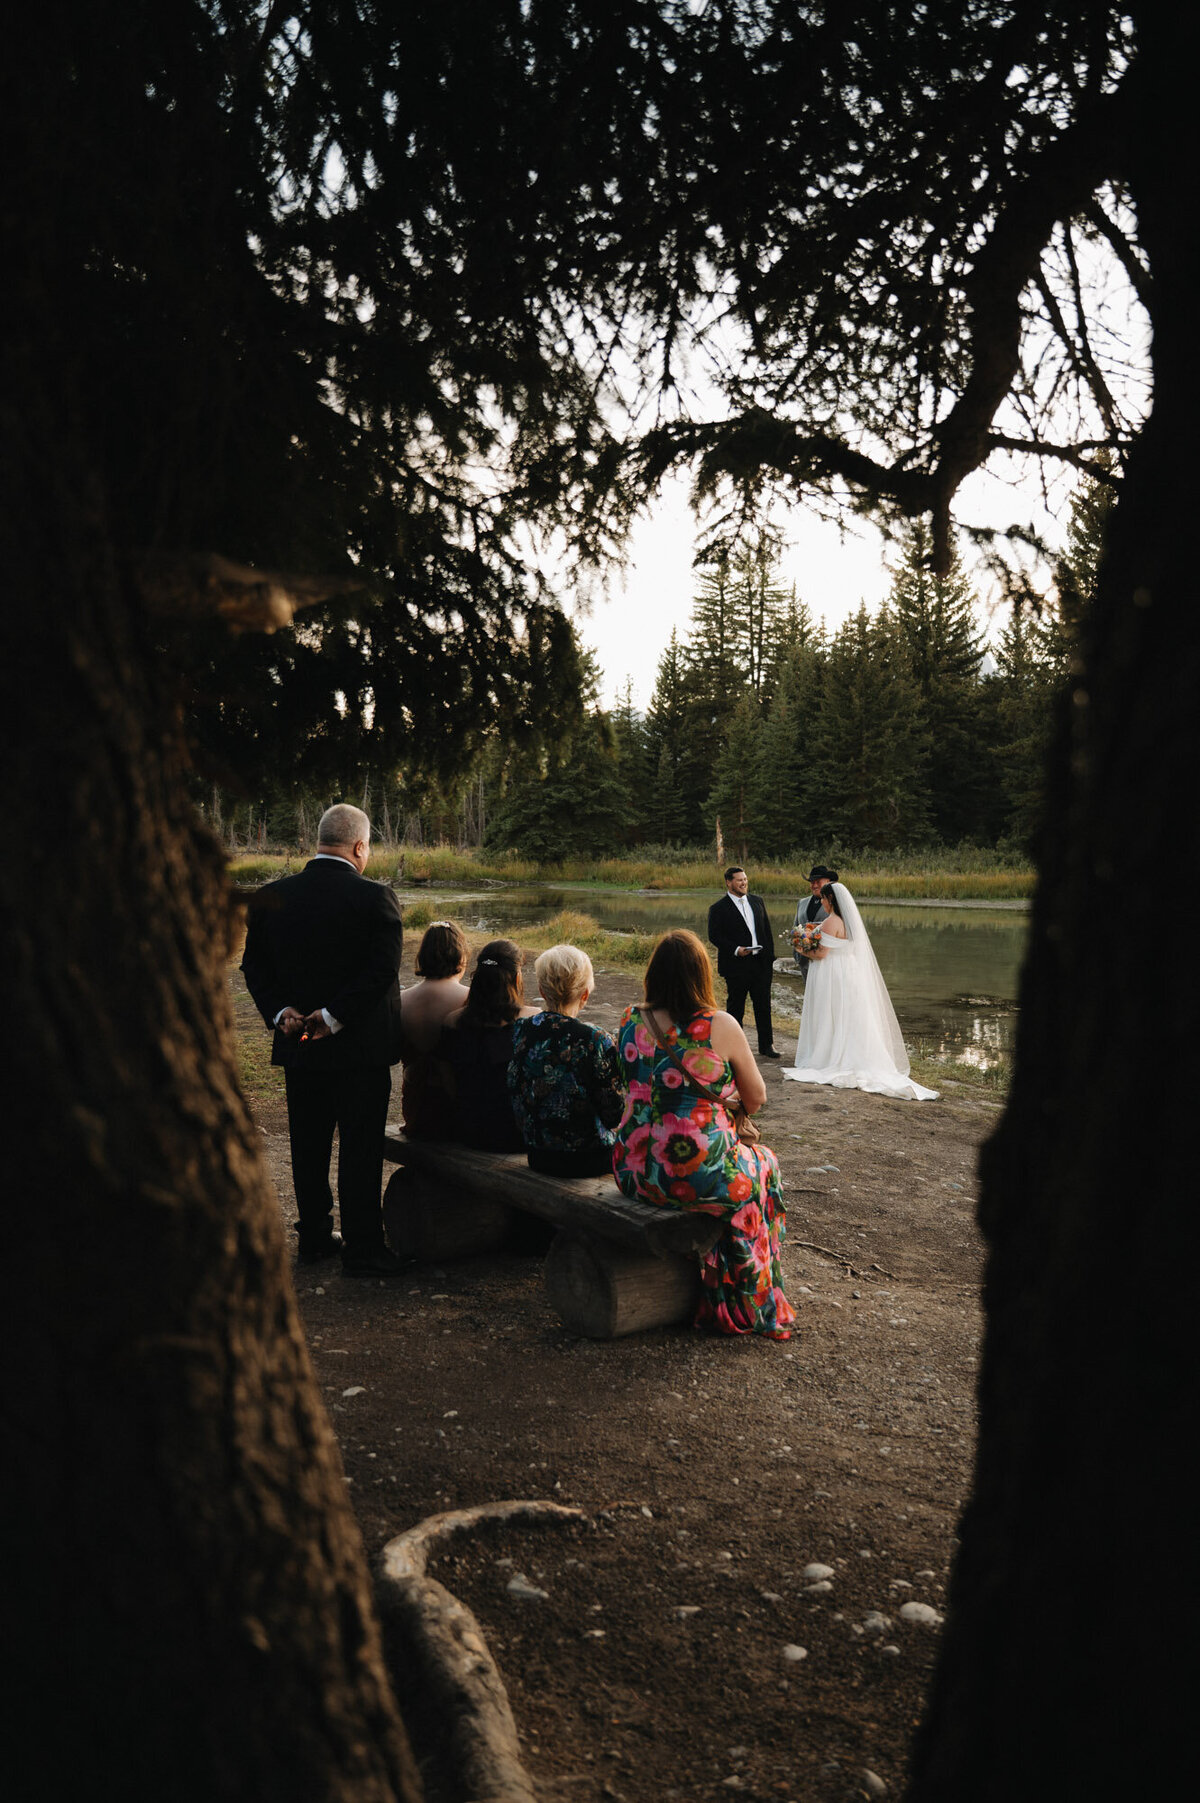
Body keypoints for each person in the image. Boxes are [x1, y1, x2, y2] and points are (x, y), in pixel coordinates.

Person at [241, 803, 407, 1277]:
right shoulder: (377, 898)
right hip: (359, 1051)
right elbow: (380, 973)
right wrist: (332, 1017)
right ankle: (362, 1248)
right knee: (360, 1147)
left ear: (318, 842)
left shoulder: (271, 897)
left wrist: (282, 1014)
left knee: (308, 1143)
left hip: (300, 1045)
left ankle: (315, 1236)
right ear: (359, 847)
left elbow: (254, 968)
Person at [612, 930, 795, 1339]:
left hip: (633, 1170)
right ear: (702, 975)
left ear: (653, 974)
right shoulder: (719, 1025)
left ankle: (719, 1277)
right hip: (693, 1177)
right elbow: (758, 1097)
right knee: (763, 1166)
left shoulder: (630, 1018)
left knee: (741, 1171)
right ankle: (746, 1298)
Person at [783, 882, 939, 1101]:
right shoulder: (851, 922)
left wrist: (799, 946)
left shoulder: (831, 922)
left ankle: (832, 1056)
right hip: (848, 972)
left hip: (832, 974)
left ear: (831, 900)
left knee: (832, 1013)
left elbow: (820, 954)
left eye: (825, 900)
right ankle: (854, 1053)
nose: (823, 903)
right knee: (849, 1015)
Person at [508, 944, 624, 1176]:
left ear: (541, 990)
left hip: (538, 1154)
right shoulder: (595, 1039)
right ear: (585, 995)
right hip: (589, 1159)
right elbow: (615, 1114)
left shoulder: (521, 1030)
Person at [439, 939, 537, 1151]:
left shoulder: (452, 1022)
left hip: (469, 1131)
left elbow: (450, 1085)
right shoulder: (533, 1021)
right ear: (517, 978)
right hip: (518, 1135)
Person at [396, 920, 470, 1140]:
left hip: (416, 1108)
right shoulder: (472, 997)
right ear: (461, 955)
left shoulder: (401, 1000)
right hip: (458, 1107)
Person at [706, 866, 780, 1058]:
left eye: (745, 879)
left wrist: (770, 958)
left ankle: (766, 1046)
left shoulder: (757, 901)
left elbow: (766, 931)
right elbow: (714, 936)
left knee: (763, 1005)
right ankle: (734, 1048)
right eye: (739, 880)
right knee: (736, 1007)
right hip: (736, 965)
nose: (743, 883)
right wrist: (737, 950)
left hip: (760, 964)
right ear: (729, 882)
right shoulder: (718, 908)